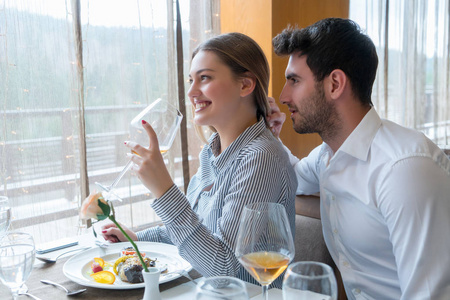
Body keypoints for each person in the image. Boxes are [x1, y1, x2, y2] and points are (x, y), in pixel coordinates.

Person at [270, 18, 450, 299]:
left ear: (335, 84)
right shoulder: (326, 156)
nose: (283, 96)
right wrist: (267, 134)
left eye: (294, 81)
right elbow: (288, 177)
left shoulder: (404, 170)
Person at [101, 32, 297, 288]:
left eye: (204, 78)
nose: (192, 91)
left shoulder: (261, 158)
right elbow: (195, 233)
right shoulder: (210, 153)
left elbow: (224, 268)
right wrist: (137, 238)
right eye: (191, 80)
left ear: (245, 85)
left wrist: (164, 190)